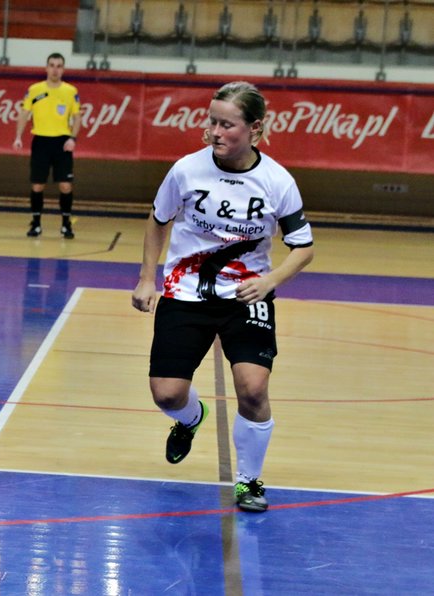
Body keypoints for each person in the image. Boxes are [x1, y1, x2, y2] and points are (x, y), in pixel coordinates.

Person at [130, 81, 314, 513]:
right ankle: (191, 420)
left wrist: (271, 282)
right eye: (211, 120)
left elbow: (303, 247)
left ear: (254, 129)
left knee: (252, 389)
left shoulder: (276, 181)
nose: (214, 131)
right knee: (167, 394)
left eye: (226, 124)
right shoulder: (186, 171)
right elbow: (158, 221)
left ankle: (249, 480)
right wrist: (145, 278)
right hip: (185, 292)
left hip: (247, 295)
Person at [13, 52, 82, 240]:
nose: (55, 69)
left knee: (66, 185)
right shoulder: (35, 90)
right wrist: (18, 136)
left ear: (63, 69)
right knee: (37, 185)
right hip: (41, 141)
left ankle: (66, 225)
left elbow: (77, 117)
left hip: (62, 142)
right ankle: (36, 224)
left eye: (59, 66)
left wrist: (72, 138)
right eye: (52, 65)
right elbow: (25, 113)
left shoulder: (70, 91)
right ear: (46, 68)